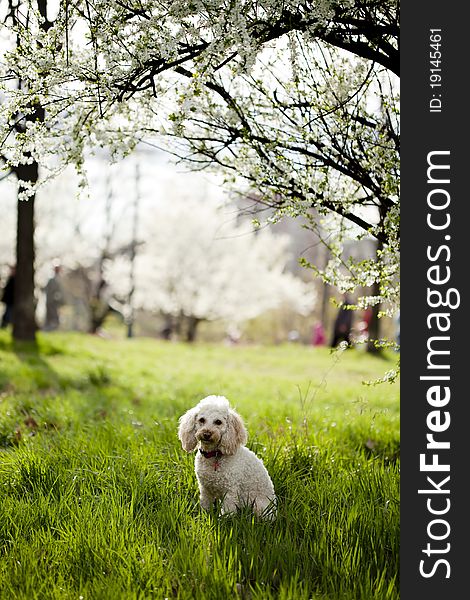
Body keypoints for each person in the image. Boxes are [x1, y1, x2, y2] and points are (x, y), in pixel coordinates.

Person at [43, 262, 65, 331]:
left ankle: (54, 328)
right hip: (50, 301)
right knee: (50, 315)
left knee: (55, 316)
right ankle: (48, 328)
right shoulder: (51, 279)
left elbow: (61, 292)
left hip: (56, 302)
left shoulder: (60, 279)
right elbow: (46, 289)